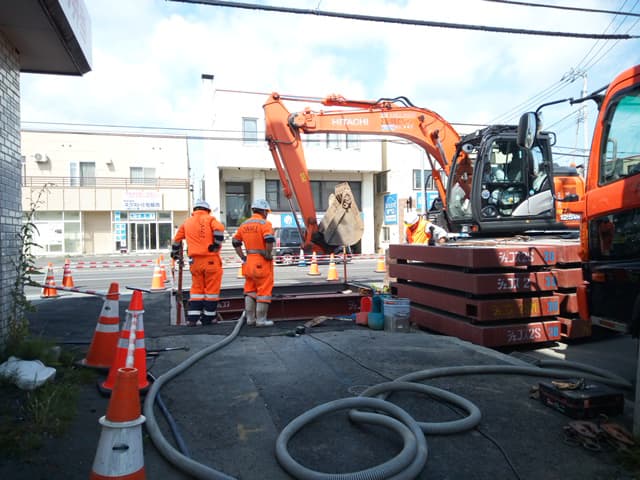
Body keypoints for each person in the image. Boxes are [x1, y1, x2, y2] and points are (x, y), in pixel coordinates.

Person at [171, 200, 226, 326]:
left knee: (197, 290)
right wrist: (216, 245)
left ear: (194, 210)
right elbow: (219, 229)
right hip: (210, 259)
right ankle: (208, 319)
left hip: (195, 262)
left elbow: (177, 240)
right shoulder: (210, 219)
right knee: (211, 291)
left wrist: (174, 253)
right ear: (207, 210)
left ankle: (192, 319)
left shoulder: (187, 222)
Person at [232, 199, 276, 327]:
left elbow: (235, 241)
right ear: (264, 211)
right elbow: (269, 239)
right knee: (264, 290)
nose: (267, 214)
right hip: (261, 262)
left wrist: (243, 257)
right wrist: (268, 254)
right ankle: (261, 320)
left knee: (250, 290)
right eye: (267, 212)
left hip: (249, 262)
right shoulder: (265, 223)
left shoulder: (244, 224)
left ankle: (250, 319)